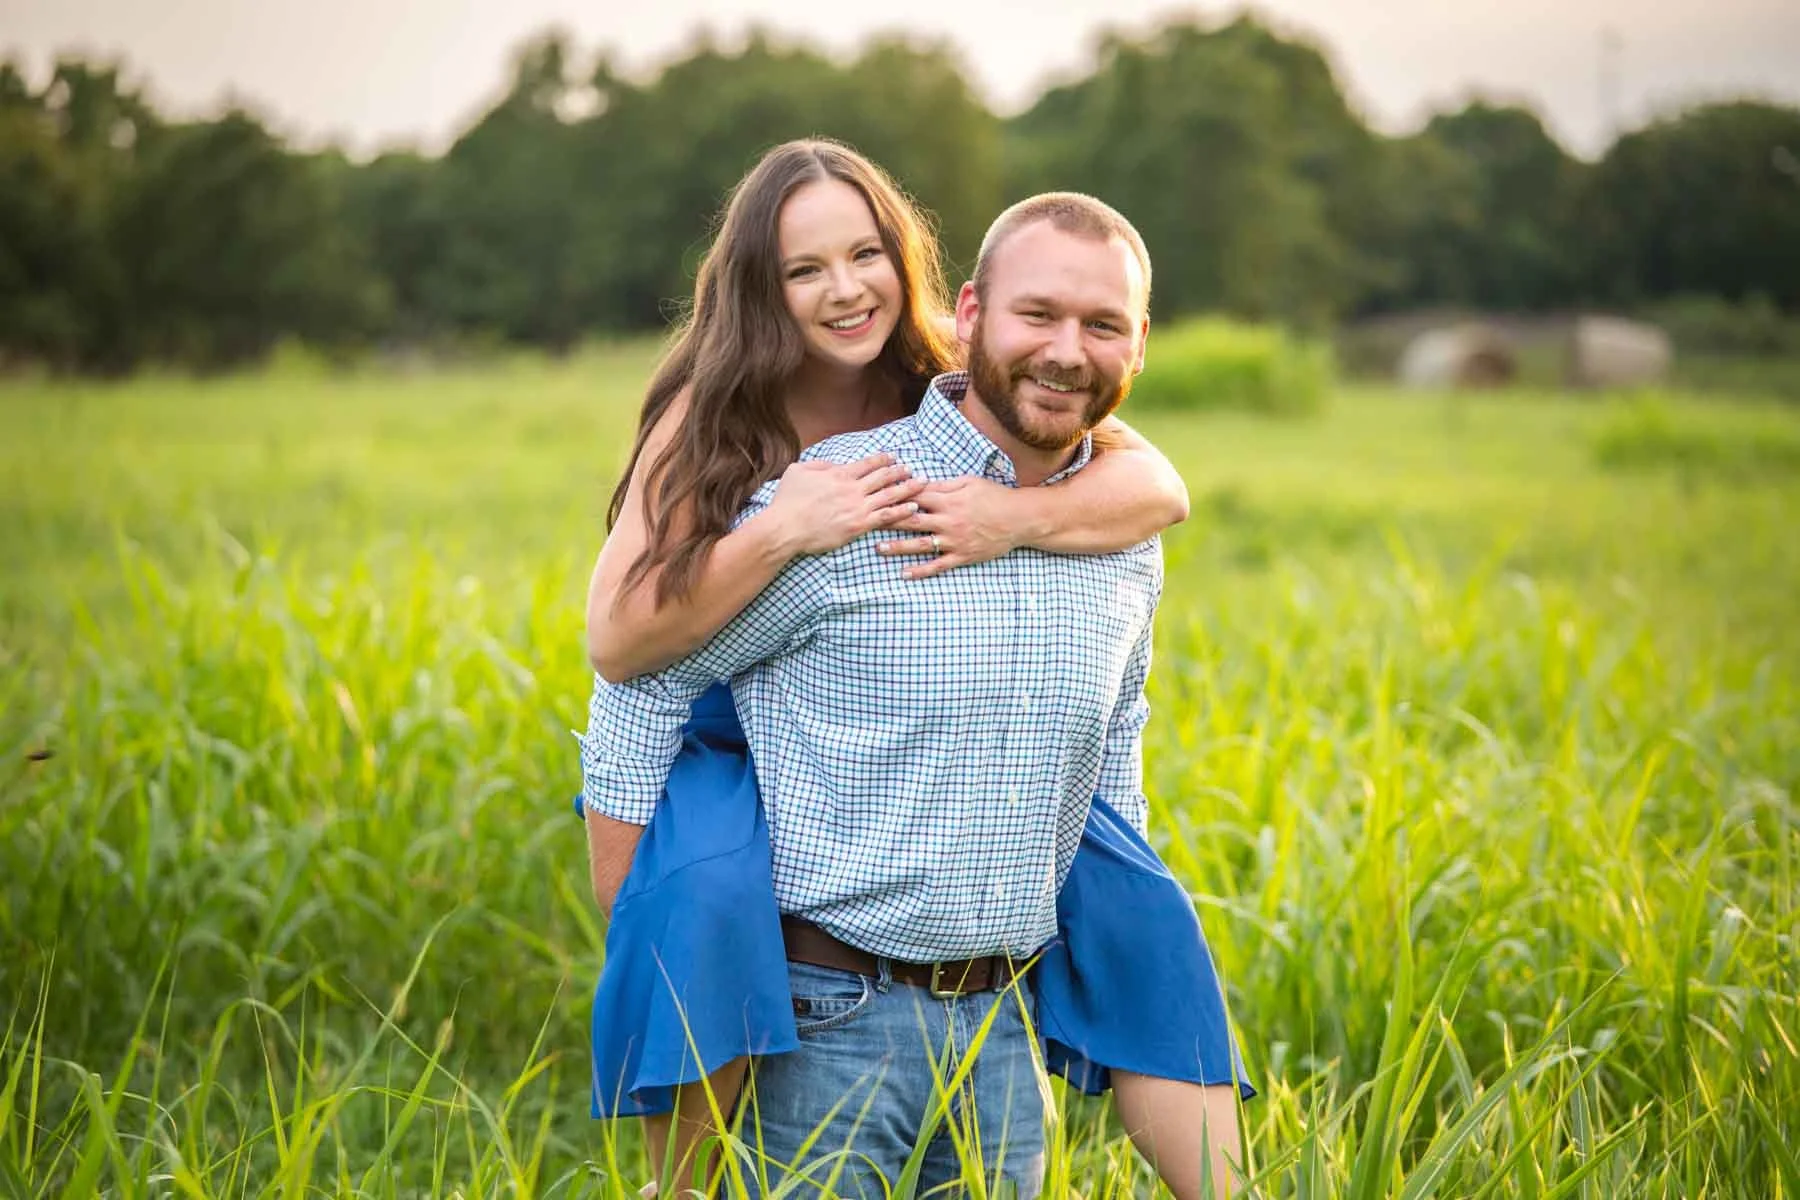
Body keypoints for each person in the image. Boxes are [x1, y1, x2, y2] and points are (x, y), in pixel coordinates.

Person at [578, 140, 1250, 1197]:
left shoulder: (988, 395)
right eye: (805, 270)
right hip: (739, 735)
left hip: (991, 1017)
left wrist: (1016, 517)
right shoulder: (726, 415)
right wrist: (782, 529)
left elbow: (1156, 493)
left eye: (864, 257)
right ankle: (680, 1180)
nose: (845, 290)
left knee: (1144, 903)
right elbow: (626, 649)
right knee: (698, 898)